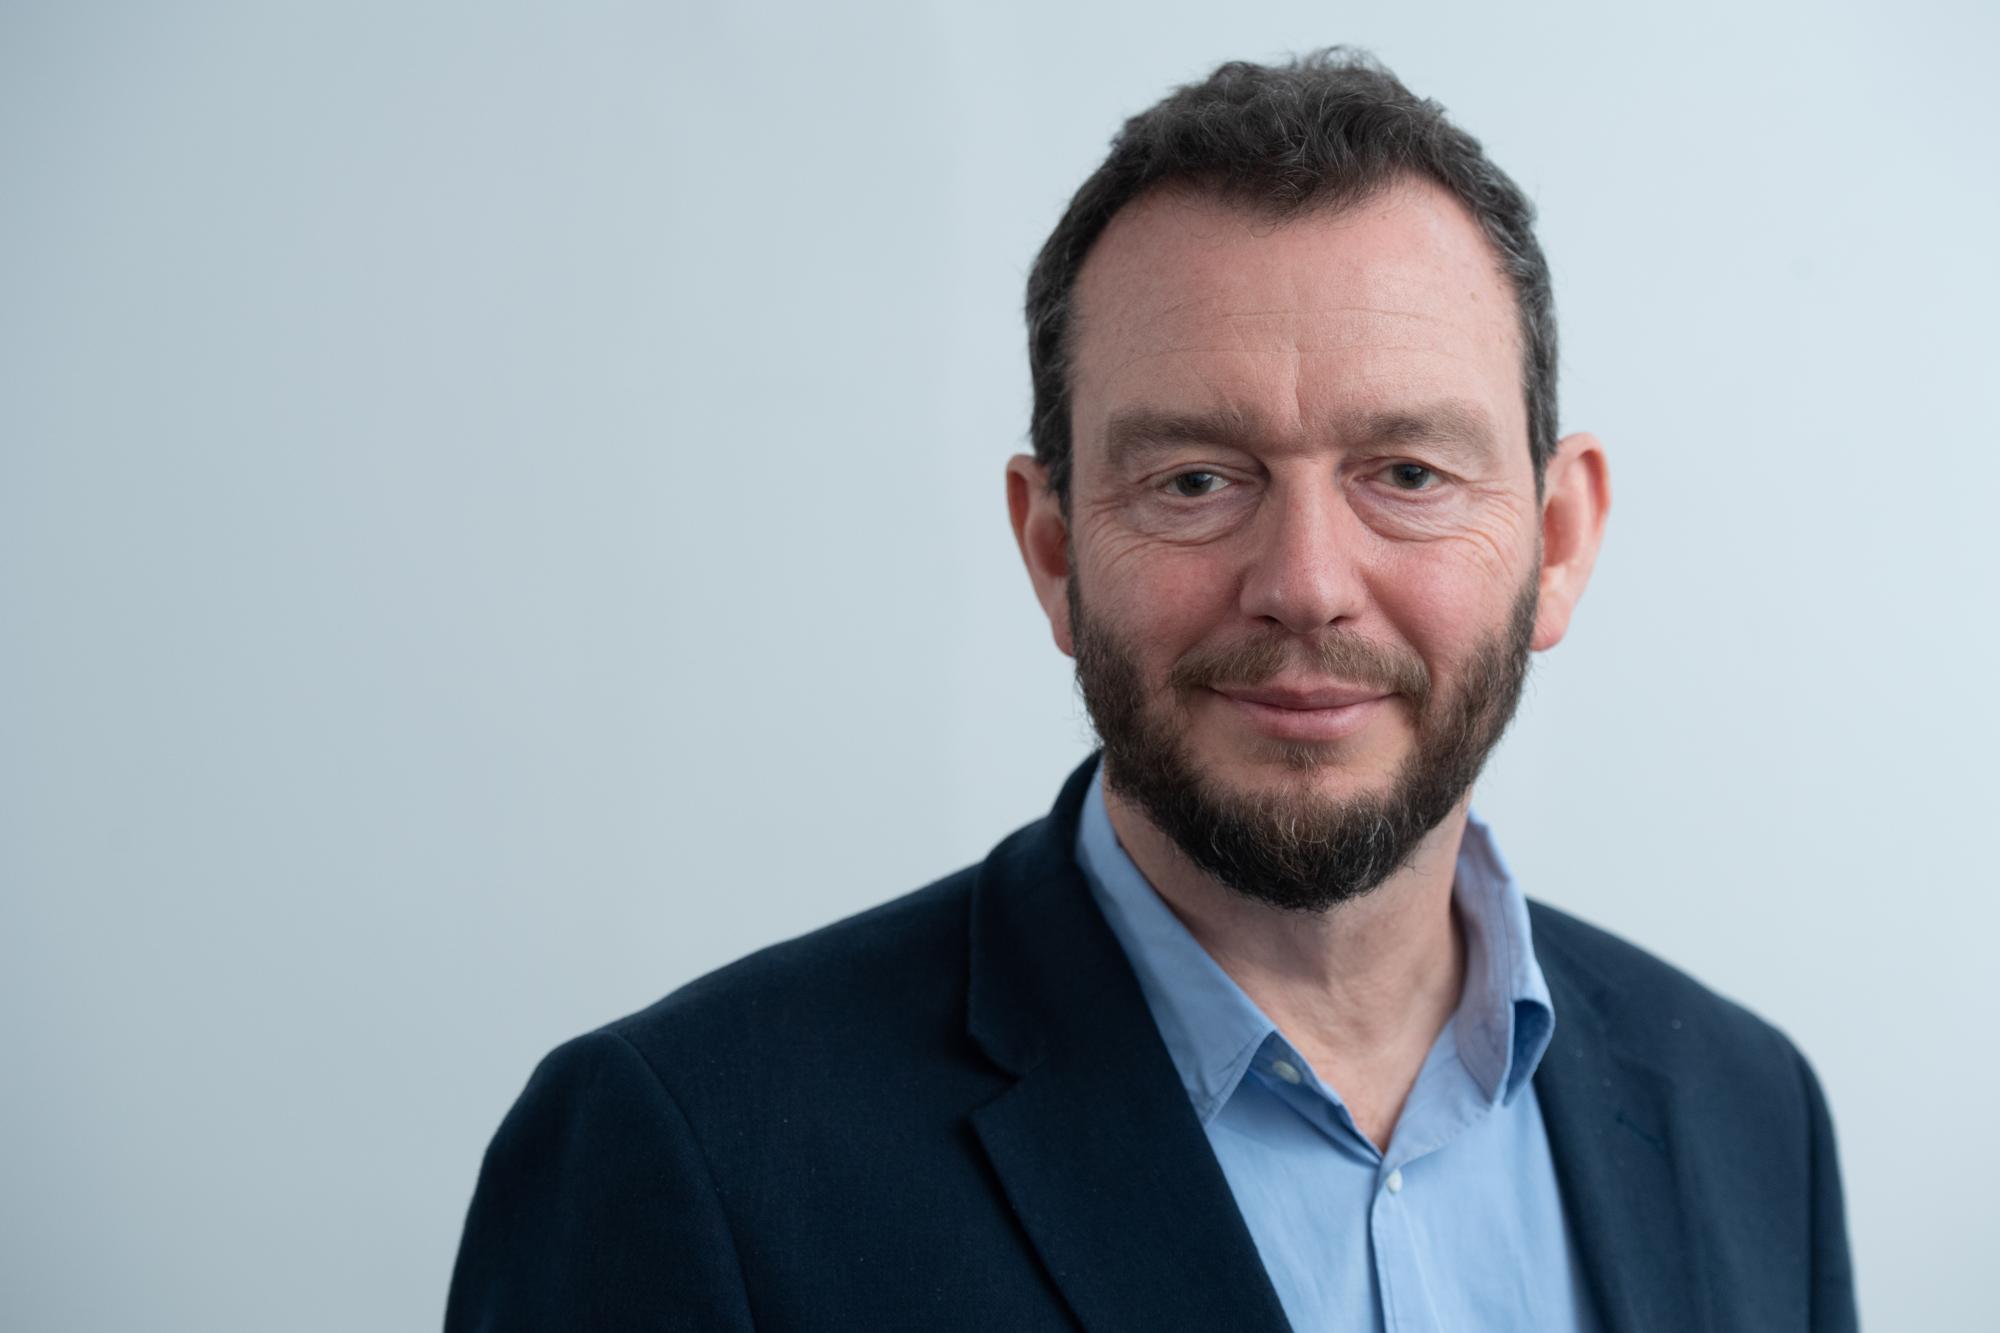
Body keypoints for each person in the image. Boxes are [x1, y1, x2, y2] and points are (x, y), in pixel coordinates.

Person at [446, 50, 1857, 1332]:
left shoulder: (1751, 1121)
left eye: (1408, 474)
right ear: (1053, 548)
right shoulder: (693, 1155)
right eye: (1195, 479)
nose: (1305, 581)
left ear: (1556, 541)